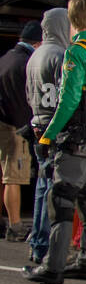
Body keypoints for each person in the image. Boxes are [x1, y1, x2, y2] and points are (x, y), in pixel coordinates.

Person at [24, 0, 86, 284]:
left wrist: (48, 135)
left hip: (76, 140)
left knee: (62, 201)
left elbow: (68, 102)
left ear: (72, 19)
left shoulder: (77, 52)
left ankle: (52, 266)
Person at [24, 7, 71, 263]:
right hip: (53, 127)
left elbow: (28, 94)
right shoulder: (60, 55)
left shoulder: (36, 54)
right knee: (53, 187)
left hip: (36, 122)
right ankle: (44, 244)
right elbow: (64, 98)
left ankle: (37, 241)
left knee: (42, 186)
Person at [0, 19, 41, 241]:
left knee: (4, 175)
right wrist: (27, 128)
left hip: (2, 122)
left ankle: (5, 222)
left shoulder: (6, 58)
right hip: (14, 127)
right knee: (13, 178)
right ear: (38, 43)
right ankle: (15, 226)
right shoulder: (26, 63)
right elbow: (23, 101)